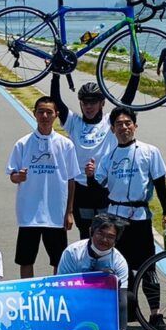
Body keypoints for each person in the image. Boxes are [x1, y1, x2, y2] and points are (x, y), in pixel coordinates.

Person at [95, 106, 166, 330]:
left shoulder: (150, 151)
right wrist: (91, 174)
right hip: (115, 218)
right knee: (120, 266)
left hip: (140, 216)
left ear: (135, 126)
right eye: (119, 124)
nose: (124, 127)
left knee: (148, 266)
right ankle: (127, 309)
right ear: (112, 129)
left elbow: (160, 184)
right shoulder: (108, 156)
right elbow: (99, 185)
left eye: (128, 123)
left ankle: (155, 314)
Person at [6, 96, 80, 278]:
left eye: (49, 112)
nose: (45, 116)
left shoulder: (66, 145)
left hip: (55, 214)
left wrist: (69, 211)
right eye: (41, 112)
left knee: (58, 260)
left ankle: (55, 295)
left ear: (56, 115)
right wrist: (19, 176)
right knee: (26, 259)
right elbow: (12, 176)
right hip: (29, 214)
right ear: (34, 114)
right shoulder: (23, 143)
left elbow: (71, 179)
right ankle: (27, 294)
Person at [57, 214, 131, 330]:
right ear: (91, 231)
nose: (104, 240)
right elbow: (61, 289)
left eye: (110, 236)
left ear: (116, 239)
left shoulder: (119, 261)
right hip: (74, 301)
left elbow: (121, 300)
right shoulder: (72, 252)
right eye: (100, 234)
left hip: (103, 306)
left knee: (129, 298)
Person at [51, 78, 112, 239]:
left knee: (107, 234)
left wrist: (135, 74)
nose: (88, 107)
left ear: (102, 103)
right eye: (85, 103)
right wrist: (56, 75)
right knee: (85, 233)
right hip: (81, 189)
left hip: (104, 188)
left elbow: (127, 100)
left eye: (93, 102)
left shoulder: (109, 122)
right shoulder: (74, 122)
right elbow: (56, 100)